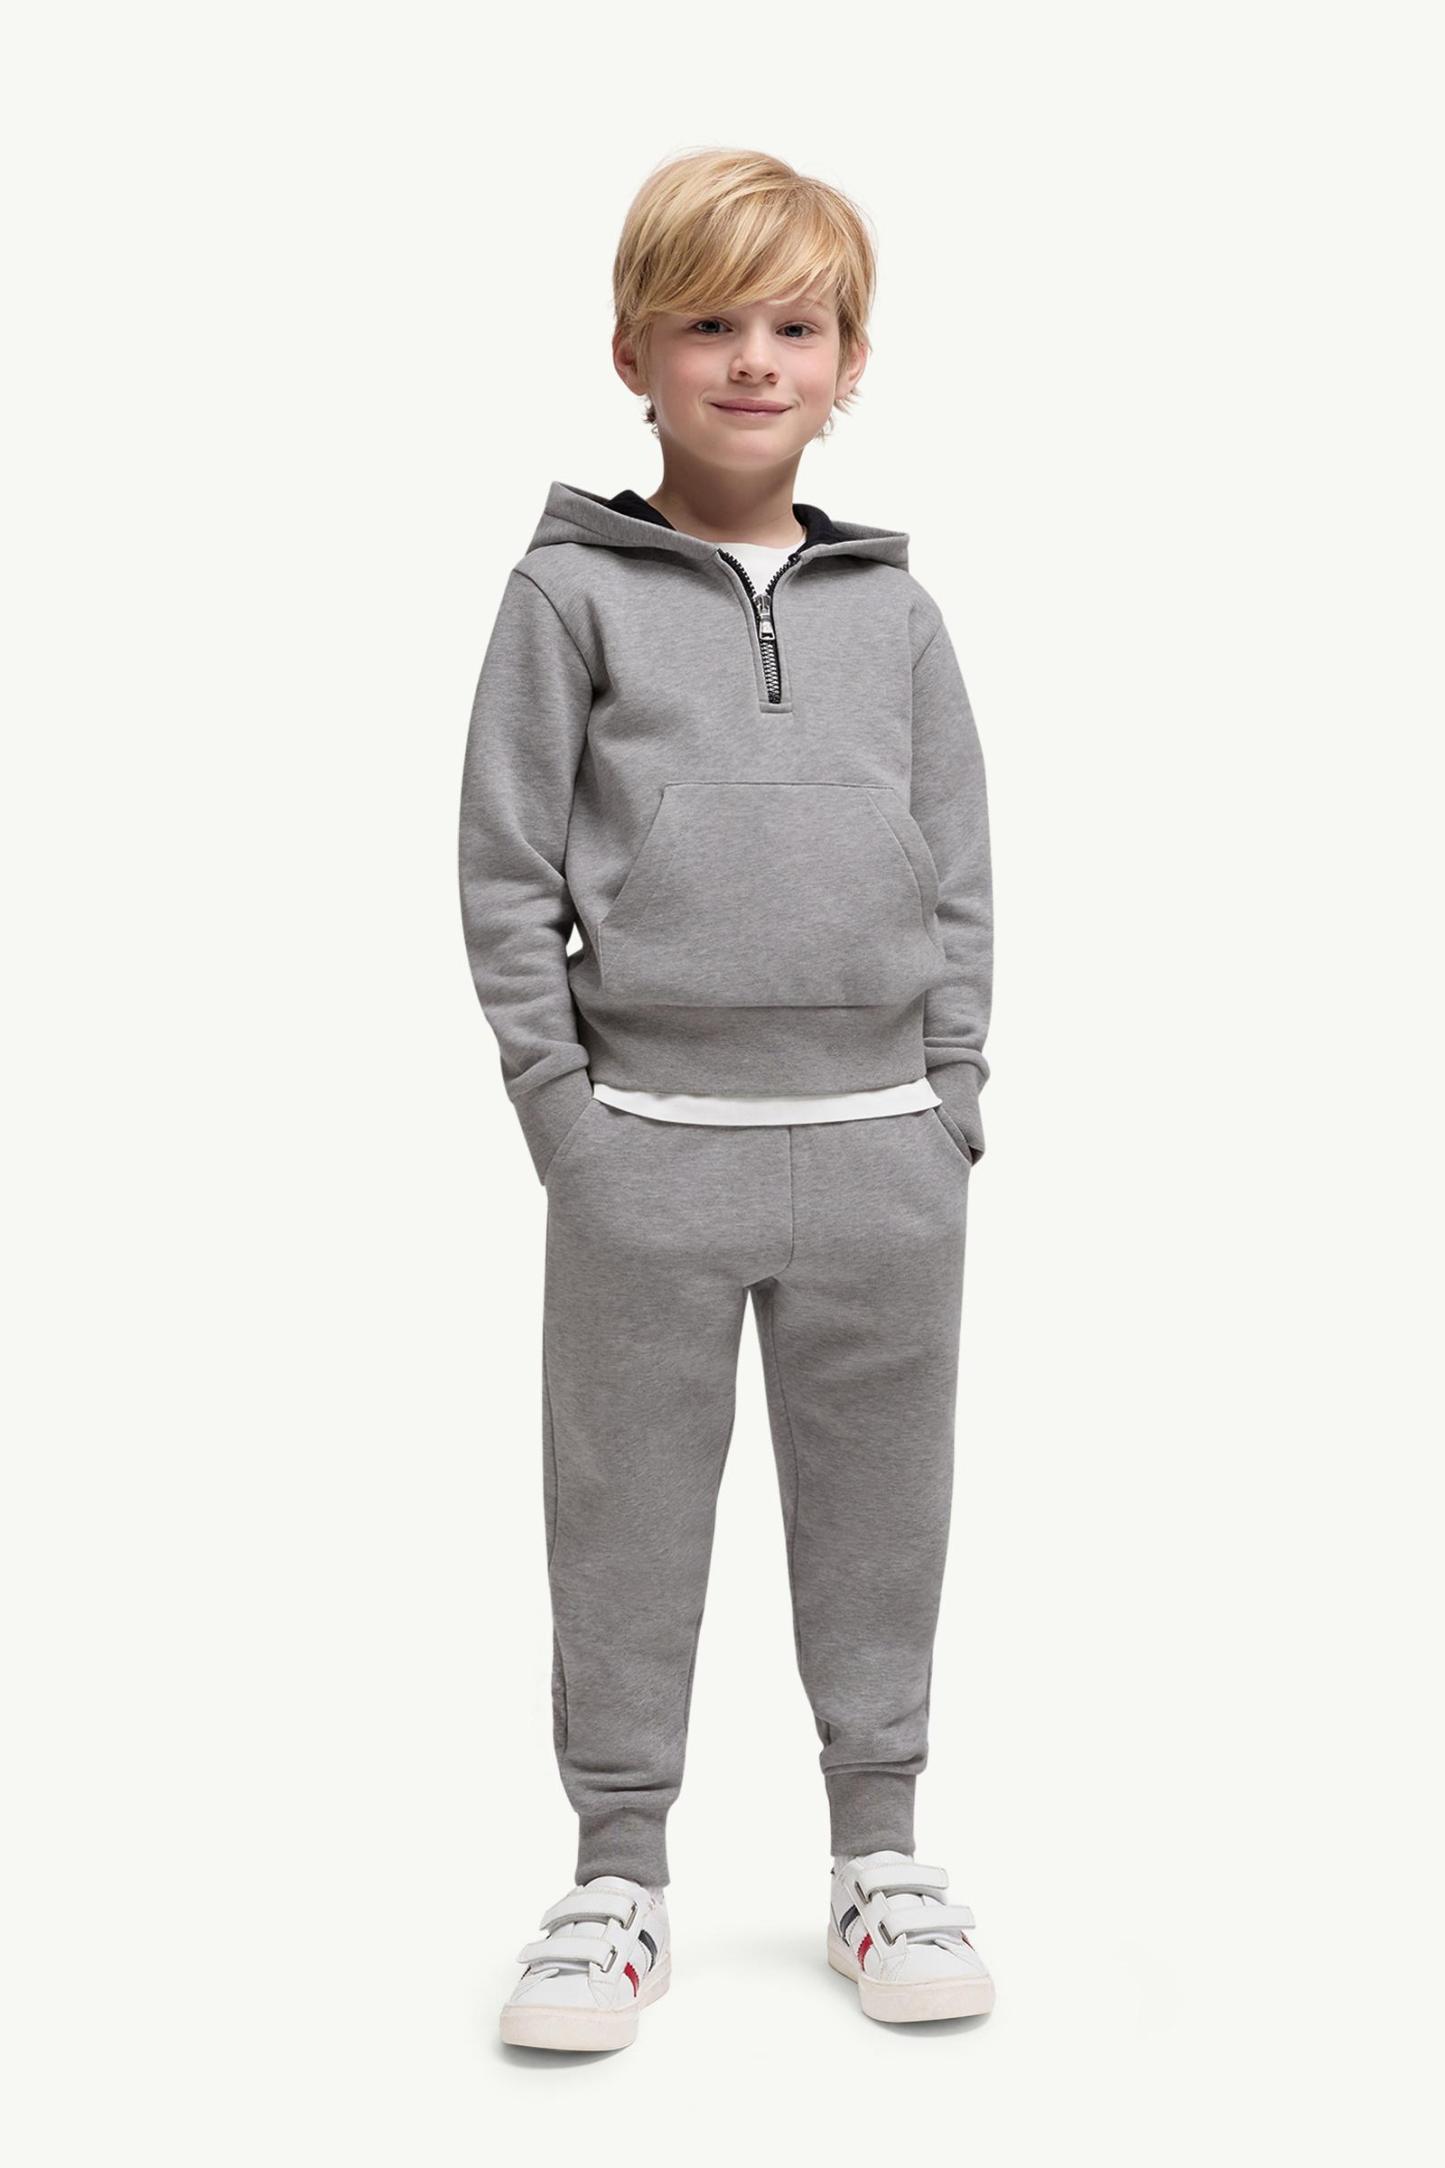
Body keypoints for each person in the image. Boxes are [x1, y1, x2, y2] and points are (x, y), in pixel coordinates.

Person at [458, 147, 996, 2051]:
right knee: (621, 1522)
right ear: (634, 353)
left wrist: (950, 1099)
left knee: (880, 1518)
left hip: (879, 1153)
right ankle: (616, 1879)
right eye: (708, 322)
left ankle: (879, 1855)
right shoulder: (565, 597)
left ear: (849, 363)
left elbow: (957, 866)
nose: (753, 359)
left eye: (796, 325)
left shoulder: (895, 616)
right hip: (648, 1159)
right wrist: (564, 1119)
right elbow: (505, 872)